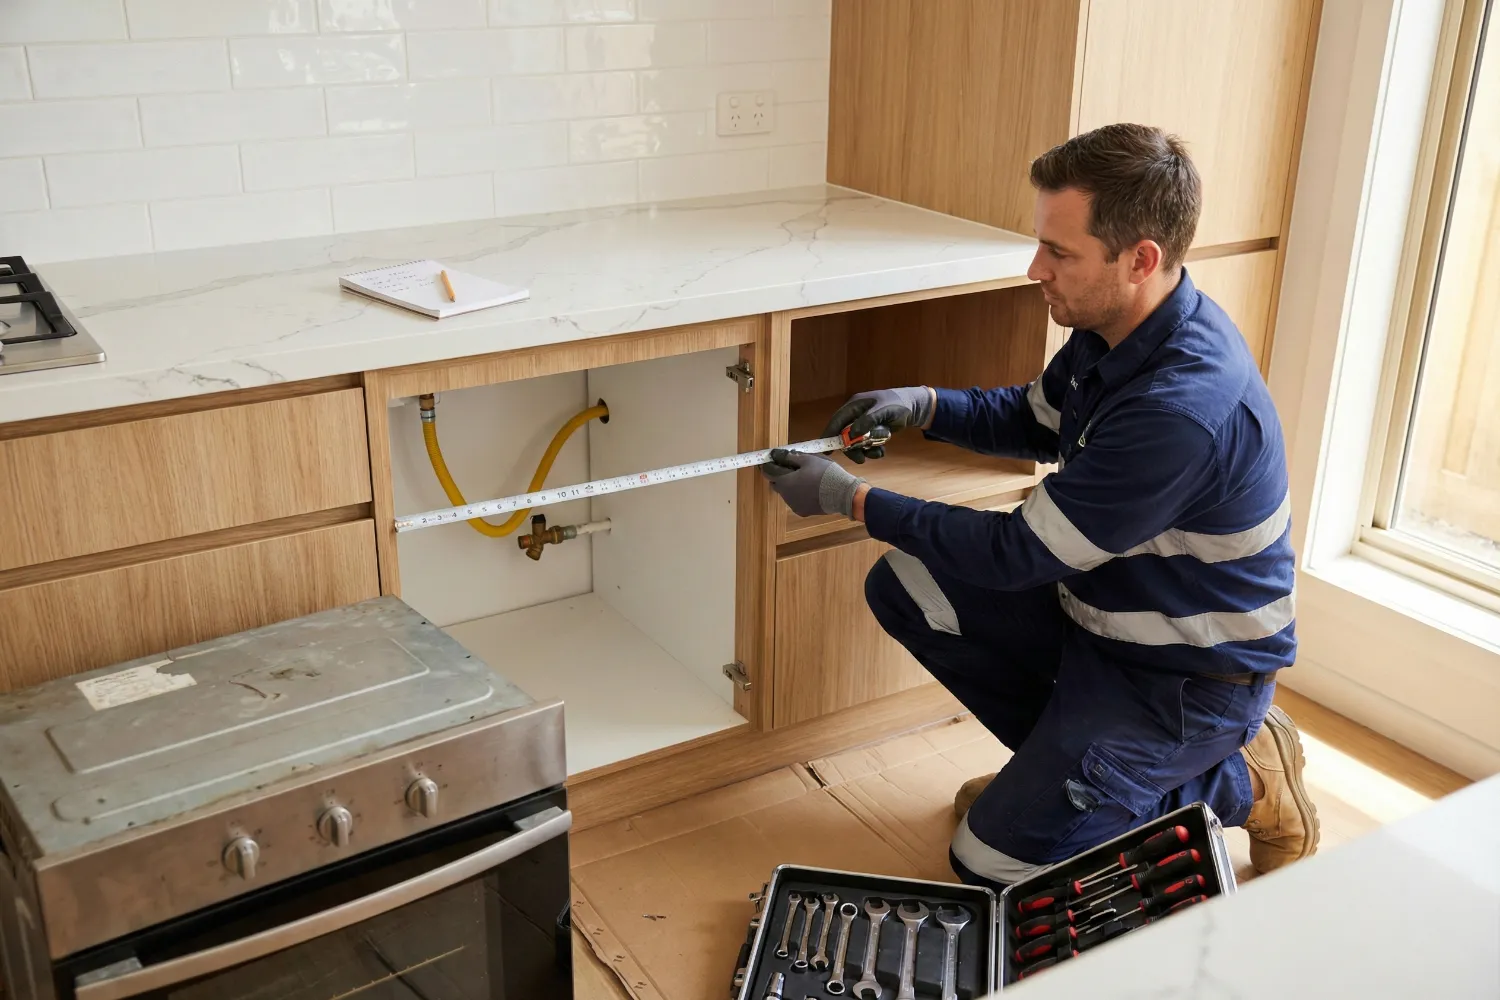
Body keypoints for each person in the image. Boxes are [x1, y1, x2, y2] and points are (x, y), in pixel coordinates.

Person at [761, 123, 1318, 886]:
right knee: (910, 583)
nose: (1035, 269)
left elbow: (1016, 553)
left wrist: (851, 500)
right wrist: (923, 403)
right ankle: (1068, 782)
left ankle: (1246, 782)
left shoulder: (1179, 409)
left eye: (1059, 253)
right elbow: (1033, 420)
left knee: (988, 866)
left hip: (1186, 681)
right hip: (1103, 628)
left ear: (1140, 259)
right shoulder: (1119, 329)